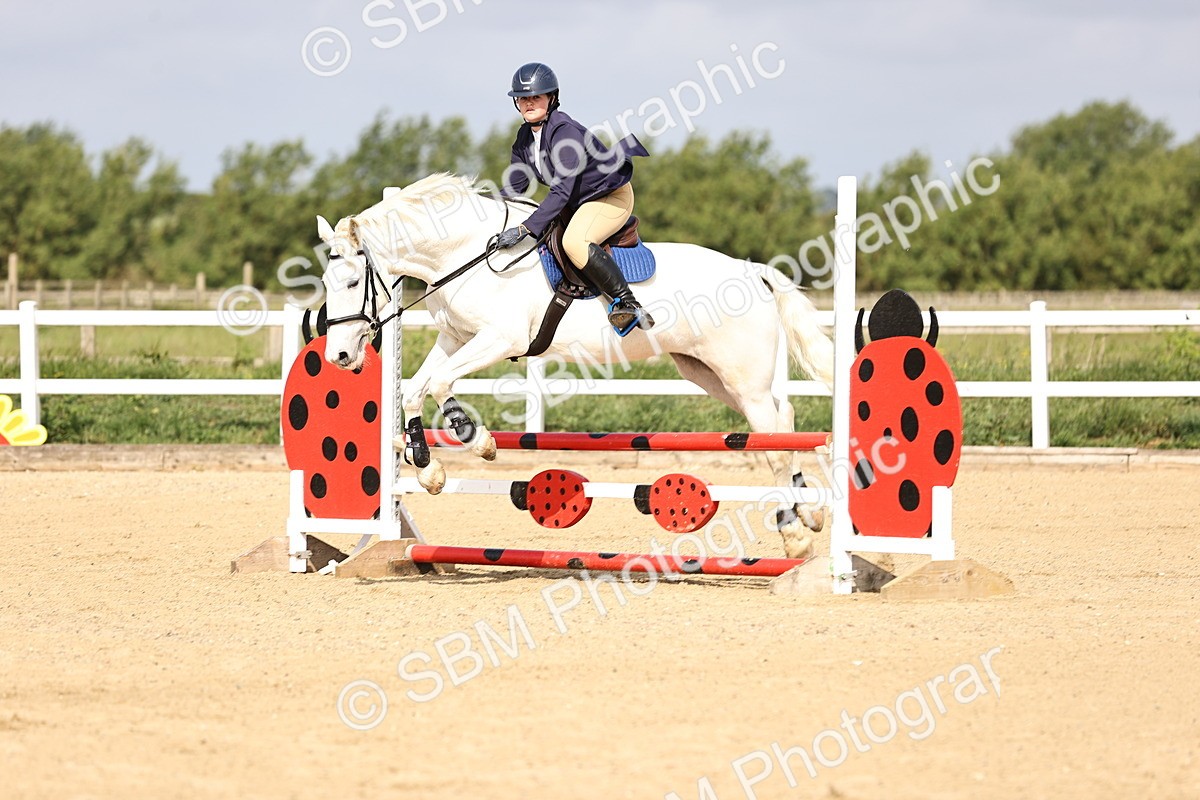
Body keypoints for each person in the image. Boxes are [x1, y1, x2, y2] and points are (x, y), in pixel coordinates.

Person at [495, 62, 655, 333]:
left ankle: (628, 304)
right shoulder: (524, 138)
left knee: (574, 241)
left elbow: (561, 190)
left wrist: (525, 228)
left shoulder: (564, 131)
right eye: (522, 98)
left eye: (536, 96)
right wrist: (479, 205)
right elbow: (513, 188)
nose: (528, 103)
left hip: (610, 196)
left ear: (552, 98)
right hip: (578, 202)